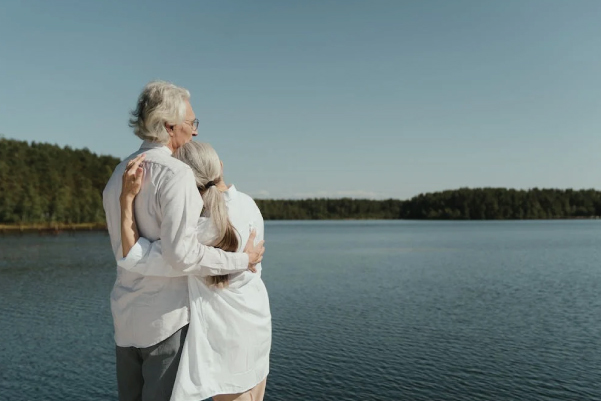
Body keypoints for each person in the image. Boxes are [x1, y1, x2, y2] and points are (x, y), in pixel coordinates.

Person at [102, 81, 265, 401]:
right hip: (168, 324)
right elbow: (183, 255)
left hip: (125, 321)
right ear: (167, 126)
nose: (194, 132)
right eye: (191, 123)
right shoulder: (176, 174)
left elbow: (126, 250)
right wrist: (242, 260)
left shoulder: (118, 174)